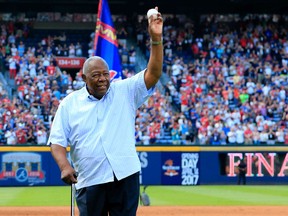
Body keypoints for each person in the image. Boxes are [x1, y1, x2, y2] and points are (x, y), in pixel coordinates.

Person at [47, 7, 163, 216]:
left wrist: (156, 39)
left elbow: (153, 73)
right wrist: (64, 166)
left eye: (105, 74)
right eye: (96, 75)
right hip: (90, 180)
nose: (102, 79)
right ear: (84, 79)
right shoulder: (69, 104)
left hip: (125, 176)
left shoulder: (124, 91)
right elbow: (56, 142)